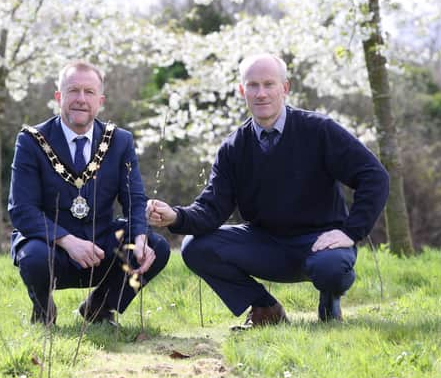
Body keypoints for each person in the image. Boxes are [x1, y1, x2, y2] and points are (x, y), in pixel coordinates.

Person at [147, 53, 389, 327]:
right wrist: (176, 216)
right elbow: (212, 208)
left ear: (285, 88)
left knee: (330, 268)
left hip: (320, 244)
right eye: (252, 85)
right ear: (242, 91)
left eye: (269, 84)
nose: (261, 94)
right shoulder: (234, 148)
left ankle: (330, 301)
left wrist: (350, 232)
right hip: (265, 245)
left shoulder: (319, 131)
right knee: (195, 247)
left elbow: (374, 176)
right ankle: (265, 307)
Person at [8, 60, 170, 326]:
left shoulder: (119, 141)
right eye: (73, 91)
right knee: (32, 256)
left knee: (155, 248)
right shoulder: (31, 141)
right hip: (52, 246)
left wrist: (140, 237)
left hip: (101, 242)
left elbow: (135, 199)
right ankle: (43, 310)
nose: (81, 99)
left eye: (89, 92)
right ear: (59, 97)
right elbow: (21, 210)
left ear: (100, 100)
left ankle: (99, 307)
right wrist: (67, 240)